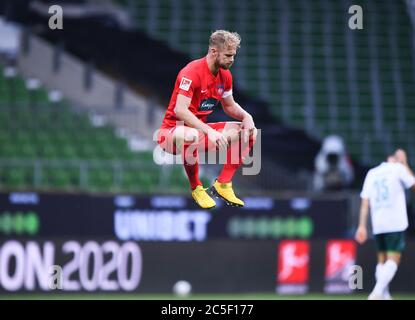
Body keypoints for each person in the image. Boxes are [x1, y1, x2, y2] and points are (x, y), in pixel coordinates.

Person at [157, 30, 257, 209]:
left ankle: (223, 184)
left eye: (233, 55)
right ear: (213, 52)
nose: (232, 60)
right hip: (171, 134)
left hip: (199, 132)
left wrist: (246, 116)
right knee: (190, 136)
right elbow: (180, 110)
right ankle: (196, 188)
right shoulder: (191, 72)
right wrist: (209, 131)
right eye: (228, 55)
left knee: (249, 131)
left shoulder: (225, 76)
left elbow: (229, 106)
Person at [355, 149, 415, 300]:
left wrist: (361, 225)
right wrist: (405, 164)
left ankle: (385, 295)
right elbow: (414, 185)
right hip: (395, 222)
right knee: (393, 259)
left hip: (378, 223)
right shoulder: (398, 168)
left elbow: (364, 202)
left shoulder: (372, 173)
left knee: (381, 259)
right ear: (393, 158)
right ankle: (376, 293)